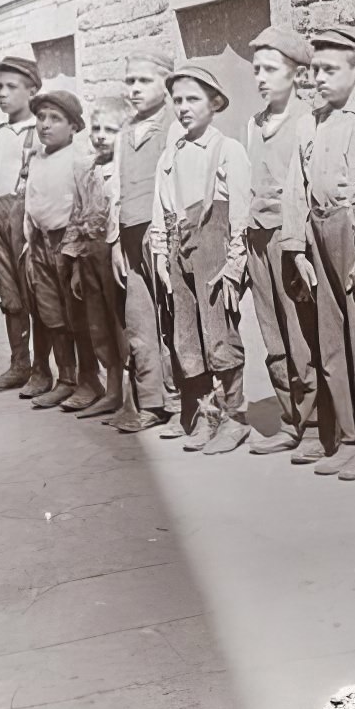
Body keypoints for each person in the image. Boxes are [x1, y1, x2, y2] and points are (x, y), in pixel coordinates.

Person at [282, 29, 355, 481]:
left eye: (331, 70)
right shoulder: (309, 124)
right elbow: (296, 187)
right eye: (315, 71)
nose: (319, 80)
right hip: (317, 234)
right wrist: (296, 247)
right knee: (332, 343)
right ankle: (348, 438)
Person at [152, 53, 251, 453]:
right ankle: (207, 413)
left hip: (214, 248)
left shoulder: (227, 150)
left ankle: (234, 416)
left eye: (193, 99)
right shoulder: (171, 153)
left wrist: (234, 262)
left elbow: (240, 209)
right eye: (177, 100)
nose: (184, 108)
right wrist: (161, 249)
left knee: (218, 332)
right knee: (186, 336)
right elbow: (161, 205)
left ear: (214, 103)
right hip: (179, 249)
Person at [244, 26, 325, 460]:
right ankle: (291, 419)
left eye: (271, 69)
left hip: (290, 239)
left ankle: (314, 426)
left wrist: (300, 246)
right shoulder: (253, 124)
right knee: (272, 337)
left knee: (300, 335)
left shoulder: (307, 121)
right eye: (257, 69)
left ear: (295, 74)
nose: (261, 77)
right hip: (257, 239)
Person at [108, 51, 184, 434]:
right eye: (130, 81)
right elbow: (116, 192)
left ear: (166, 85)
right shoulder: (124, 133)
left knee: (173, 317)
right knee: (138, 322)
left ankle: (183, 401)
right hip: (130, 235)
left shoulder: (173, 127)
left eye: (144, 81)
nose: (134, 89)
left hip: (162, 235)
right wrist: (114, 244)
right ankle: (150, 402)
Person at [0, 56, 52, 396]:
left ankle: (42, 370)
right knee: (10, 296)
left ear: (32, 91)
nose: (2, 93)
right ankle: (18, 363)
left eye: (11, 87)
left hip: (24, 222)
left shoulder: (39, 132)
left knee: (35, 295)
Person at [23, 90, 100, 410]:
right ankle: (65, 378)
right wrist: (30, 245)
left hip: (69, 244)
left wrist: (76, 252)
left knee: (76, 315)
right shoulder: (36, 159)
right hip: (40, 243)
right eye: (41, 117)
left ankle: (89, 380)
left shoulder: (80, 160)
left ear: (73, 126)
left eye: (55, 119)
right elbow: (32, 204)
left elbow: (83, 208)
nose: (45, 125)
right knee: (51, 313)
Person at [60, 95, 132, 417]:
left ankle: (136, 394)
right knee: (97, 324)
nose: (101, 135)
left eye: (111, 130)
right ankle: (112, 390)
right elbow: (76, 216)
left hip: (116, 254)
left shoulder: (126, 171)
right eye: (97, 128)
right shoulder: (85, 169)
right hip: (90, 255)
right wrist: (76, 264)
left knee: (122, 324)